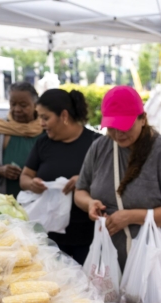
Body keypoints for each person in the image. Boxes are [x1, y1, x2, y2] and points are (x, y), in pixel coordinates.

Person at [74, 86, 161, 303]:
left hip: (150, 256)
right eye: (112, 127)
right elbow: (80, 191)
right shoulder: (100, 147)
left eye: (125, 126)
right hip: (110, 254)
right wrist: (90, 203)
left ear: (143, 119)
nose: (118, 133)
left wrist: (130, 217)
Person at [20, 88, 98, 265]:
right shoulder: (43, 143)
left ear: (64, 115)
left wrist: (84, 180)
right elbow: (24, 177)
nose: (41, 124)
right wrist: (32, 184)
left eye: (45, 118)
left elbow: (111, 182)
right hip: (49, 239)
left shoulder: (96, 143)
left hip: (88, 237)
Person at [0, 82, 43, 197]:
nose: (17, 109)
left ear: (35, 105)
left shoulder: (45, 130)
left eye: (23, 105)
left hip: (41, 200)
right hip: (7, 201)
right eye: (13, 104)